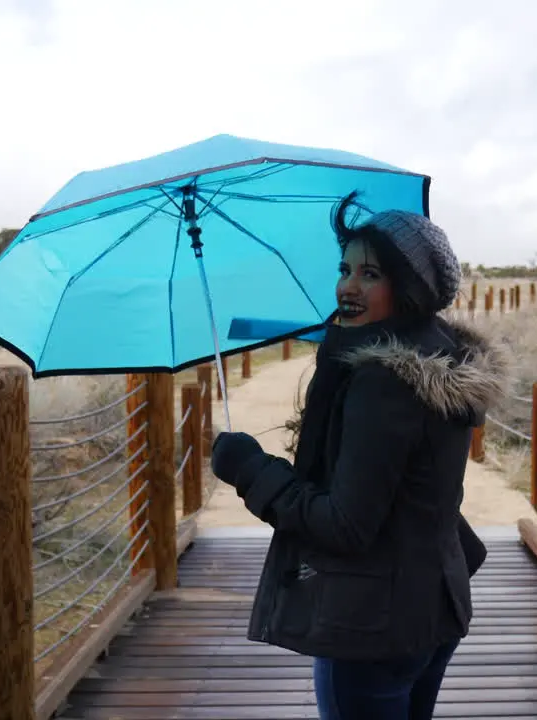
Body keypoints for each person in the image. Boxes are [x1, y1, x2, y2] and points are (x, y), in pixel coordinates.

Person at [208, 191, 508, 720]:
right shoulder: (437, 354)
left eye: (370, 274)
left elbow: (346, 525)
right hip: (431, 608)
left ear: (410, 288)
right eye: (345, 269)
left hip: (373, 626)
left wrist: (248, 468)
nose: (347, 286)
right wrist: (337, 355)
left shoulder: (384, 383)